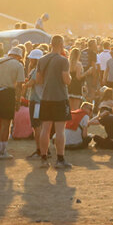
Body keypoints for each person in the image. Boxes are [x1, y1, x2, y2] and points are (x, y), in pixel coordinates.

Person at [36, 35, 73, 169]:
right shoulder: (63, 60)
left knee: (45, 129)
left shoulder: (42, 59)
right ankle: (60, 159)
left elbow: (39, 80)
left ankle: (44, 158)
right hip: (60, 98)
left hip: (46, 97)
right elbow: (66, 80)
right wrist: (70, 77)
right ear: (61, 44)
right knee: (60, 130)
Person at [0, 46, 26, 160]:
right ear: (19, 56)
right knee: (6, 124)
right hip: (8, 94)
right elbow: (19, 85)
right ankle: (3, 151)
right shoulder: (18, 65)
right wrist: (18, 100)